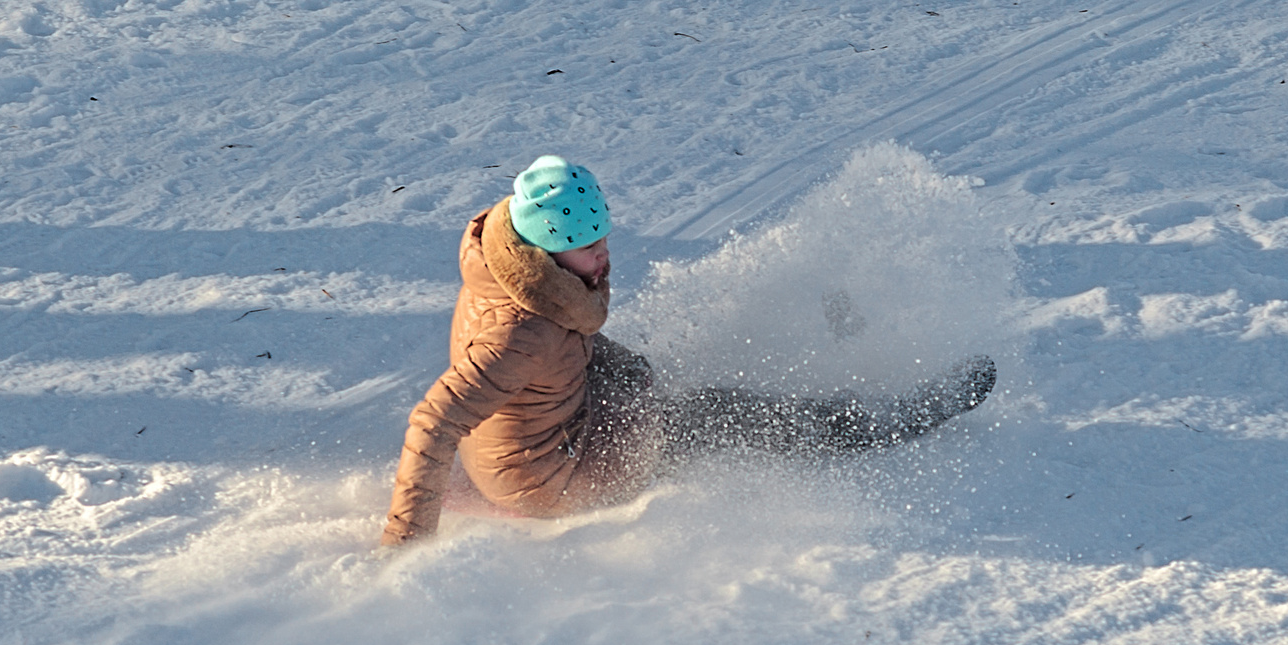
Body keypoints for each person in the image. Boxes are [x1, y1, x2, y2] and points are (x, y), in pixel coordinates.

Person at [380, 156, 995, 547]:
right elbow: (435, 420)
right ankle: (871, 422)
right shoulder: (519, 332)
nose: (603, 256)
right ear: (544, 253)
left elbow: (561, 346)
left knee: (652, 383)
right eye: (585, 248)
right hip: (548, 479)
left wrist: (622, 366)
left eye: (603, 238)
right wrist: (405, 548)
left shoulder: (508, 265)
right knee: (716, 415)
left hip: (548, 433)